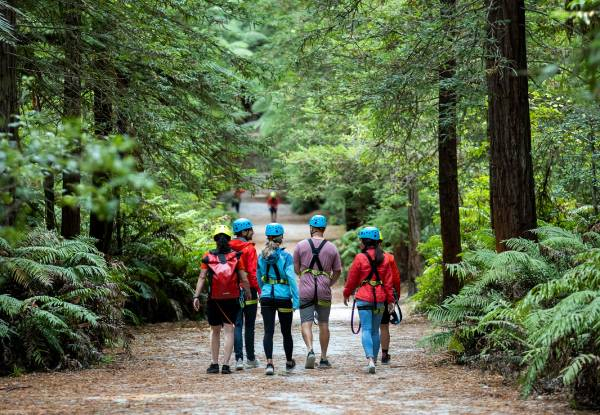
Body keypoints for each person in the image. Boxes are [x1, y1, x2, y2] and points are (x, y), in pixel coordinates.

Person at [193, 225, 251, 375]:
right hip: (232, 298)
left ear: (215, 240)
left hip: (214, 299)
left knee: (215, 330)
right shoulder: (237, 256)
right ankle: (226, 365)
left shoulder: (208, 256)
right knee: (229, 330)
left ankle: (214, 364)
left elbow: (202, 277)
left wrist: (196, 296)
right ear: (229, 239)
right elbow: (244, 278)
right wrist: (248, 293)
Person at [343, 226, 394, 374]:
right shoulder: (384, 258)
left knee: (366, 328)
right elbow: (388, 282)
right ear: (378, 241)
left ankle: (370, 359)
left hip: (364, 298)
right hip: (379, 298)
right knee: (375, 330)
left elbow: (352, 279)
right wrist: (390, 301)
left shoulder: (360, 258)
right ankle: (375, 360)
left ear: (364, 242)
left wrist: (347, 293)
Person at [293, 214, 342, 369]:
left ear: (312, 228)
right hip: (323, 289)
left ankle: (309, 350)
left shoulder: (300, 245)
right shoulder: (332, 247)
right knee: (323, 323)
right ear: (324, 228)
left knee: (306, 322)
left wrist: (304, 276)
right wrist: (329, 282)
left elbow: (296, 268)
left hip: (306, 288)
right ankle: (323, 358)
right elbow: (338, 270)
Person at [257, 223, 300, 375]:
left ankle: (269, 364)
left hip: (267, 296)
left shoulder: (261, 256)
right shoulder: (286, 257)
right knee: (286, 331)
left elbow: (259, 279)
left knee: (268, 331)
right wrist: (296, 300)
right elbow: (292, 279)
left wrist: (263, 292)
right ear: (281, 238)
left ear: (267, 237)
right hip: (283, 297)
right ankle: (289, 361)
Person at [230, 218, 260, 370]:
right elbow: (253, 274)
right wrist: (259, 291)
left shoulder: (228, 247)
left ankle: (238, 359)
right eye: (250, 230)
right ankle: (251, 358)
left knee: (237, 325)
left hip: (232, 291)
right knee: (249, 325)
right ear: (244, 232)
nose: (253, 232)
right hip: (249, 291)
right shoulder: (249, 248)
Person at [378, 231, 401, 365]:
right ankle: (385, 355)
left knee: (371, 327)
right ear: (380, 242)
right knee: (384, 326)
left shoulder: (362, 257)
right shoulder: (389, 258)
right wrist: (395, 296)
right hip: (385, 297)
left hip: (368, 297)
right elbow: (396, 279)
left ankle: (371, 356)